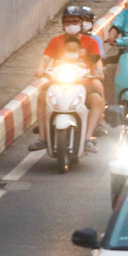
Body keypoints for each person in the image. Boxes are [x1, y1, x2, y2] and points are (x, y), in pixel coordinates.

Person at [29, 9, 106, 152]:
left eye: (75, 21)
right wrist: (40, 69)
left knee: (97, 100)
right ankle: (42, 138)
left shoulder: (90, 42)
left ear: (81, 23)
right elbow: (45, 58)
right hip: (58, 80)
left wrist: (99, 71)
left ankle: (87, 138)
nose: (71, 25)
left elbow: (97, 61)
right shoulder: (55, 41)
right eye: (68, 22)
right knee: (42, 97)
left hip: (84, 81)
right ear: (63, 24)